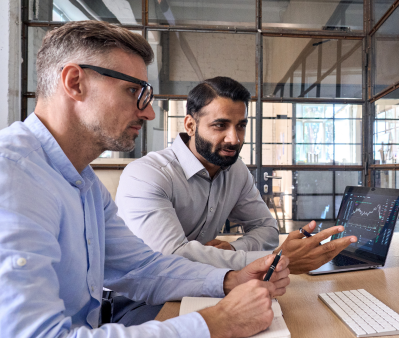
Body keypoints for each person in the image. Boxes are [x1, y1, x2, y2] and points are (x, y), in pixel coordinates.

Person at [0, 20, 290, 338]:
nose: (149, 112)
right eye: (133, 91)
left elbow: (141, 268)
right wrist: (216, 323)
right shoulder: (12, 176)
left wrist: (230, 279)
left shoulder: (83, 182)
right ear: (74, 82)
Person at [116, 77, 358, 273]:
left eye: (241, 125)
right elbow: (171, 257)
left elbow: (267, 229)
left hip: (202, 285)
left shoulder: (235, 169)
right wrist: (275, 259)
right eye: (220, 126)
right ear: (190, 125)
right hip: (137, 298)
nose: (235, 139)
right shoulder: (147, 175)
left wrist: (233, 250)